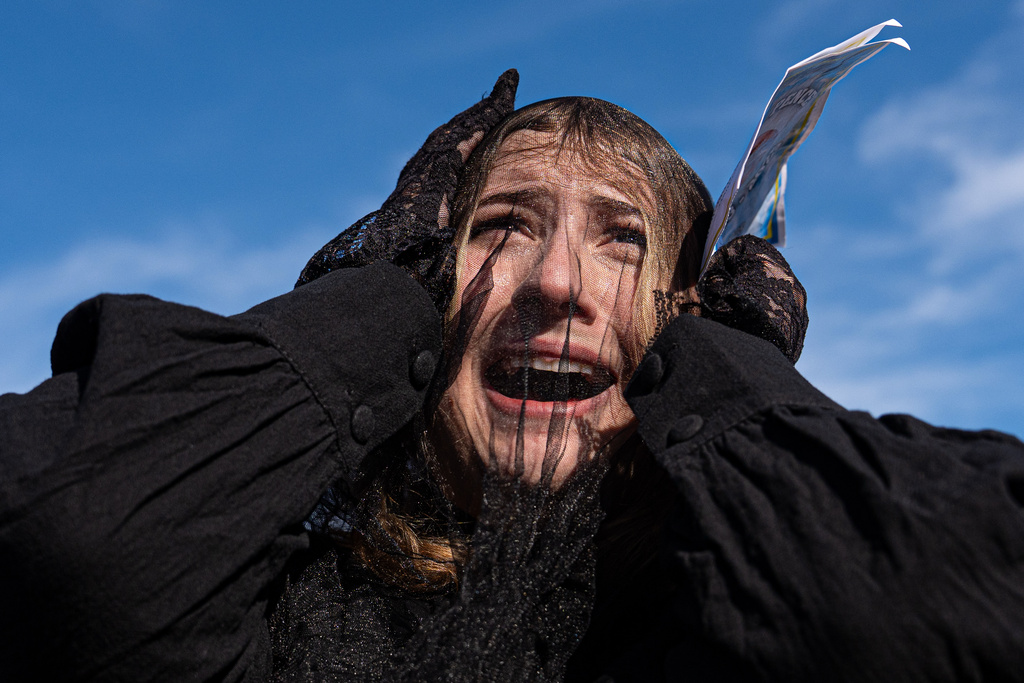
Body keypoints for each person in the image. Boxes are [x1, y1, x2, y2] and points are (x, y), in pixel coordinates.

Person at [1, 70, 1023, 682]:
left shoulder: (719, 623)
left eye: (623, 242)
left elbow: (932, 611)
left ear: (687, 314)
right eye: (502, 228)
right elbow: (72, 543)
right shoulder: (266, 597)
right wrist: (371, 295)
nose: (557, 281)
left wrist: (732, 378)